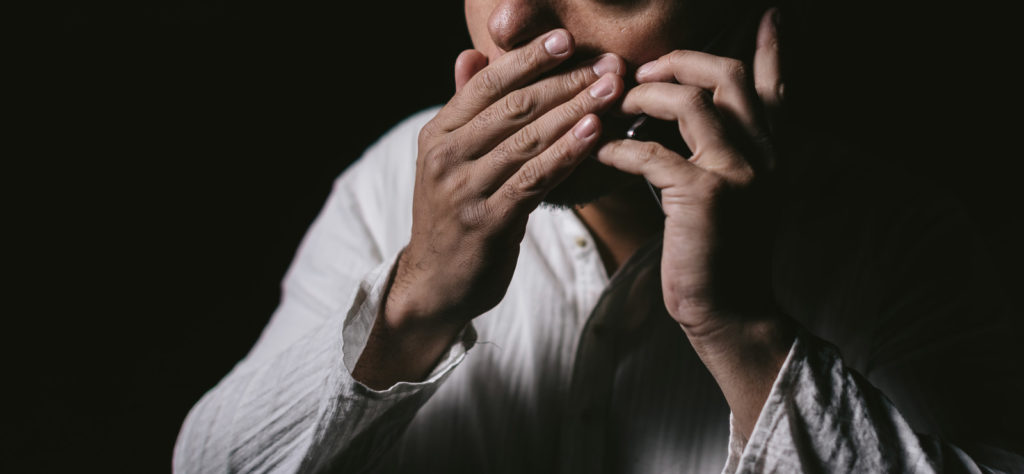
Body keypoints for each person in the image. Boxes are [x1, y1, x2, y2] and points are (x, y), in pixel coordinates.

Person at [174, 0, 1023, 472]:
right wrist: (411, 305)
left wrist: (745, 335)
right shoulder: (393, 185)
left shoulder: (893, 240)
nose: (510, 22)